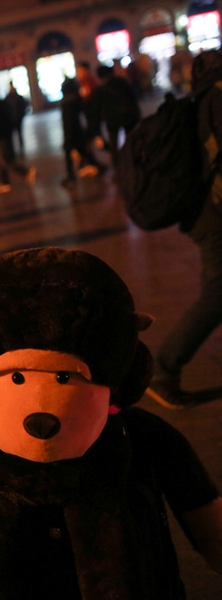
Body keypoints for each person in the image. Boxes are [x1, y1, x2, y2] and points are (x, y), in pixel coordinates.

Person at [148, 49, 222, 409]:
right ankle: (163, 368)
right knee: (218, 295)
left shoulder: (204, 98)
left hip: (205, 211)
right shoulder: (217, 98)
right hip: (215, 215)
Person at [0, 86, 36, 194]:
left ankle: (25, 172)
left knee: (5, 160)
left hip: (1, 137)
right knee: (0, 161)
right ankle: (4, 182)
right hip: (2, 136)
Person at [88, 64, 142, 167]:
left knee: (113, 144)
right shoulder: (123, 82)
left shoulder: (100, 89)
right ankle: (133, 161)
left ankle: (117, 165)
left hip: (112, 119)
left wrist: (96, 130)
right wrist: (137, 114)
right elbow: (133, 99)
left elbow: (96, 110)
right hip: (128, 116)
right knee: (130, 140)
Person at [59, 77, 108, 186]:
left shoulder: (67, 103)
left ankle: (71, 176)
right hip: (77, 132)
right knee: (82, 151)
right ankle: (98, 166)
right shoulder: (76, 100)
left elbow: (68, 122)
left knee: (71, 153)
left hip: (71, 133)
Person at [4, 83, 28, 156]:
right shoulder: (8, 98)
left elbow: (23, 106)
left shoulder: (18, 97)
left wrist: (21, 114)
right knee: (13, 134)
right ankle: (13, 150)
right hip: (11, 119)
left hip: (18, 117)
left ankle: (21, 147)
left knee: (19, 133)